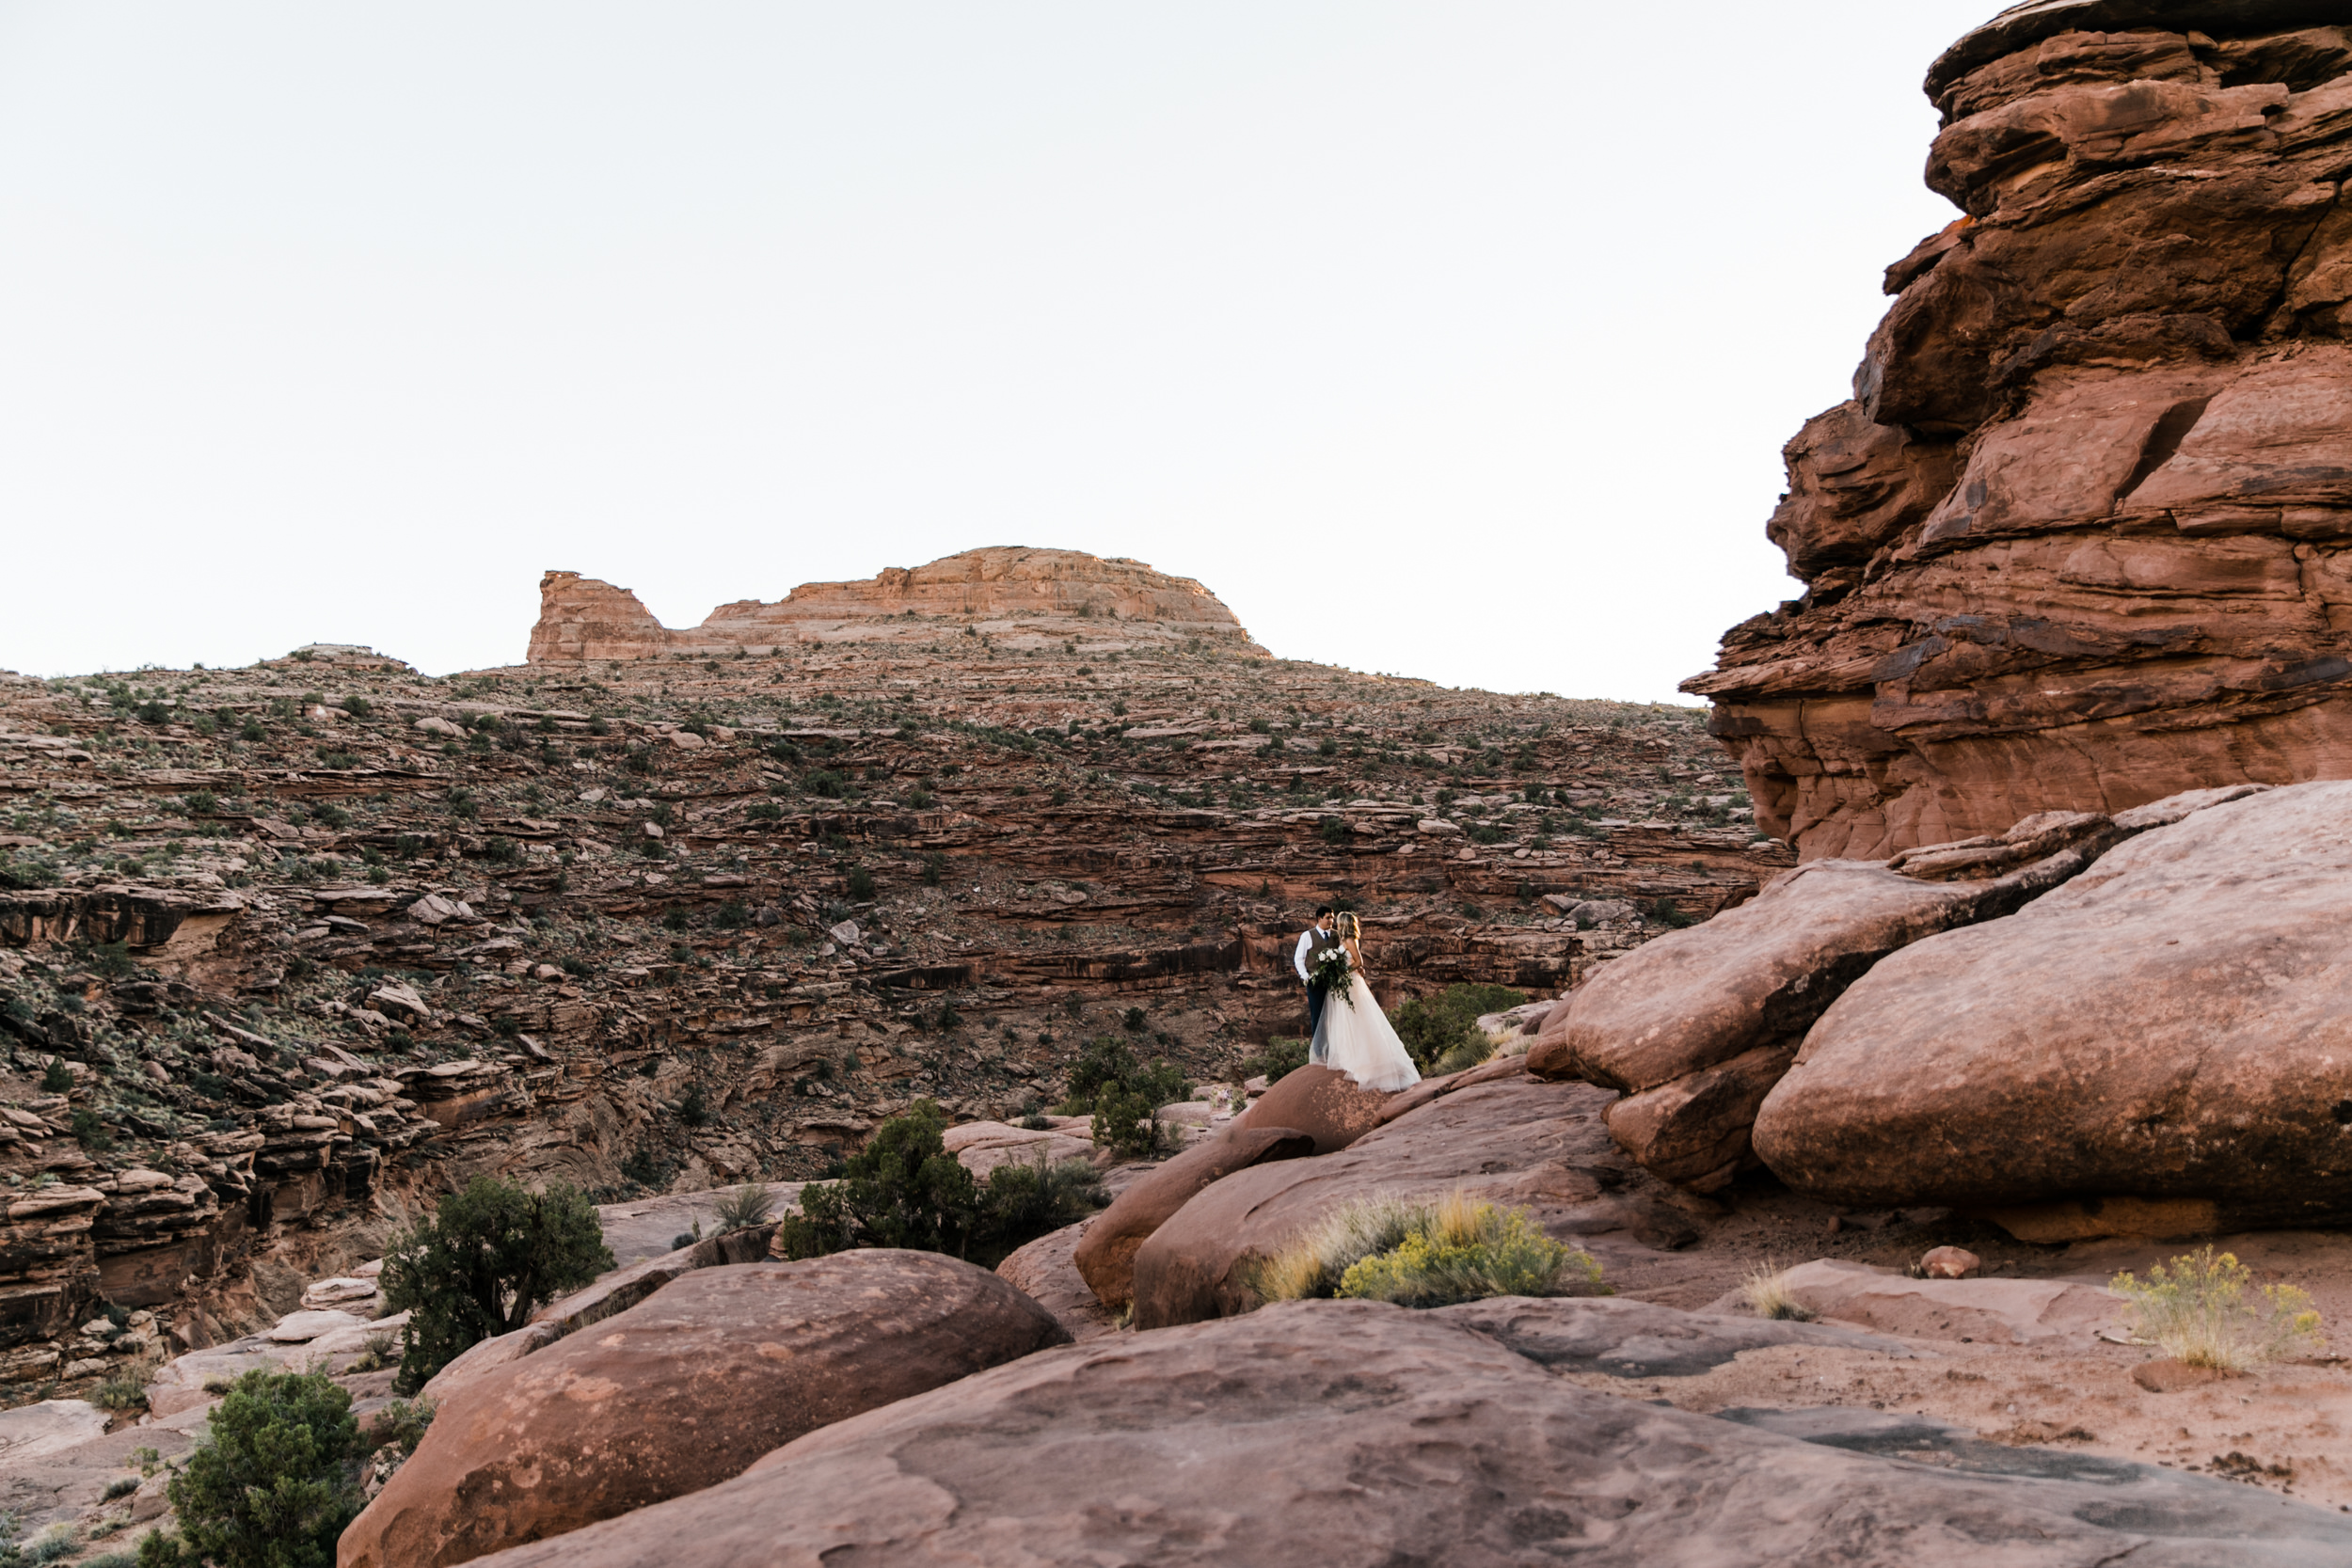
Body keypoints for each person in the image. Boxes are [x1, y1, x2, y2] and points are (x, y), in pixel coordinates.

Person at [1309, 912, 1422, 1092]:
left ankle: (1362, 1060)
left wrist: (1343, 970)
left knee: (1355, 1017)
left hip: (1350, 983)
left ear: (1343, 923)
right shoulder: (1343, 940)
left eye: (1338, 921)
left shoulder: (1351, 940)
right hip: (1342, 984)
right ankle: (1347, 1057)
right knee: (1343, 1019)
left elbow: (1359, 961)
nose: (1335, 923)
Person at [1294, 906, 1341, 1058]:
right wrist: (1306, 977)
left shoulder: (1336, 936)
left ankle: (1334, 1049)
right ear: (1319, 918)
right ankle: (1319, 1052)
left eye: (1332, 918)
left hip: (1334, 983)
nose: (1331, 921)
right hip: (1315, 983)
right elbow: (1299, 959)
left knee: (1335, 1014)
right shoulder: (1307, 936)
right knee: (1318, 1016)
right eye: (1328, 918)